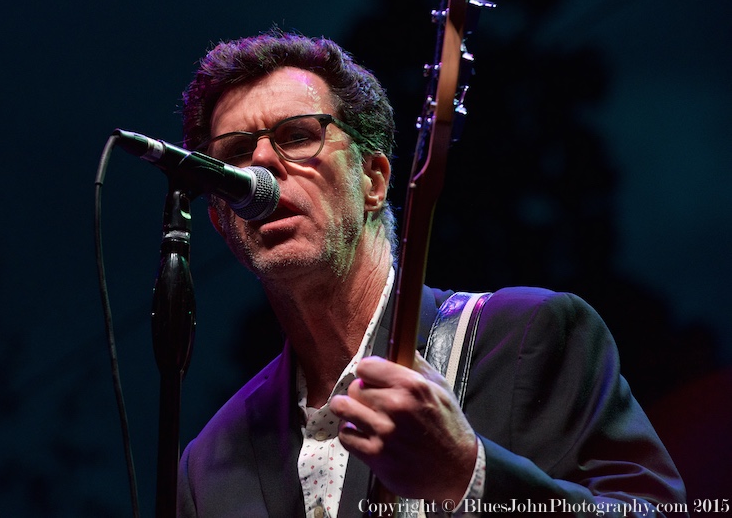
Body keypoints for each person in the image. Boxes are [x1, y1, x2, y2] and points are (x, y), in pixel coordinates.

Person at [175, 31, 685, 517]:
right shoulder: (209, 465)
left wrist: (469, 474)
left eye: (298, 136)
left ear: (373, 180)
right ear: (221, 219)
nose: (261, 164)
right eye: (236, 155)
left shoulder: (529, 336)